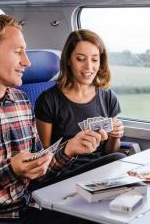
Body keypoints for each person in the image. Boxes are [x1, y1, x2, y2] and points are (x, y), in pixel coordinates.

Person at [0, 14, 139, 224]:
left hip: (29, 207)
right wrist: (9, 170)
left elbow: (39, 170)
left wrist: (69, 150)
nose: (27, 61)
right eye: (18, 52)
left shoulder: (20, 101)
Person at [35, 29, 125, 173]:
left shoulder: (108, 97)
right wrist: (70, 146)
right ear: (69, 60)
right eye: (80, 59)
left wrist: (115, 136)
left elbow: (111, 151)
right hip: (66, 173)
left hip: (102, 169)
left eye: (94, 59)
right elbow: (44, 154)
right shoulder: (48, 100)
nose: (89, 67)